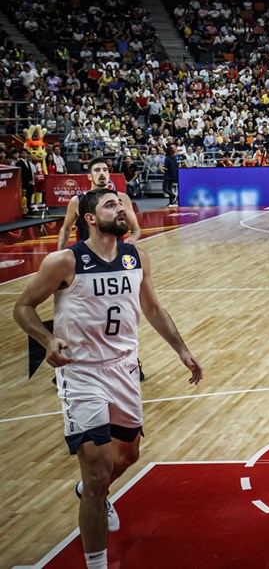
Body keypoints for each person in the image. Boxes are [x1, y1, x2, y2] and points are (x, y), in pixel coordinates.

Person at [13, 187, 203, 569]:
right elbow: (23, 307)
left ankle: (91, 491)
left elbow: (153, 308)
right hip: (81, 373)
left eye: (121, 204)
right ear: (90, 218)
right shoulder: (65, 262)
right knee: (98, 474)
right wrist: (47, 340)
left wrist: (182, 350)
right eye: (110, 205)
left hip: (124, 369)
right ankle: (97, 554)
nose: (121, 209)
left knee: (129, 455)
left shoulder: (136, 257)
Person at [58, 158, 141, 250]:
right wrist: (59, 251)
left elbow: (135, 228)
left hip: (115, 253)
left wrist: (133, 237)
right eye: (97, 170)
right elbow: (66, 229)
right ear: (89, 177)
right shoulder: (77, 201)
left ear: (109, 175)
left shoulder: (122, 198)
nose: (102, 173)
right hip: (87, 254)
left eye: (105, 170)